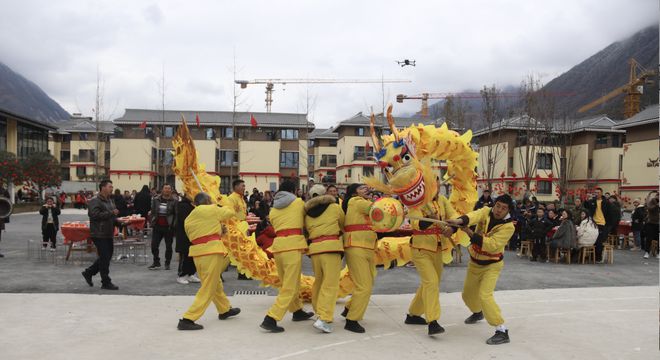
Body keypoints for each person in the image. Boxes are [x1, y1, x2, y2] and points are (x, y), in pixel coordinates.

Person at [446, 194, 516, 345]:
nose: (498, 210)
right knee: (467, 295)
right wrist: (459, 221)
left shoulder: (509, 227)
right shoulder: (486, 211)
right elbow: (473, 216)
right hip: (474, 263)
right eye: (497, 206)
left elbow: (491, 245)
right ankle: (478, 313)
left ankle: (501, 330)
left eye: (503, 208)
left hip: (492, 265)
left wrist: (469, 232)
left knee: (485, 296)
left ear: (508, 211)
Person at [177, 192, 240, 330]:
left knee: (214, 282)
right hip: (211, 251)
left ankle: (224, 309)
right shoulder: (211, 209)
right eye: (210, 199)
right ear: (206, 200)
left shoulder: (189, 218)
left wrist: (218, 230)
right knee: (208, 287)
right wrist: (221, 204)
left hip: (198, 253)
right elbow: (230, 212)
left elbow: (198, 235)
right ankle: (188, 318)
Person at [260, 180, 314, 333]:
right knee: (290, 286)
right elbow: (308, 217)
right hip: (292, 247)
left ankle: (297, 311)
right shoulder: (298, 202)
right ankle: (271, 318)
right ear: (293, 191)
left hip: (279, 247)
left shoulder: (273, 209)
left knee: (289, 282)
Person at [405, 182, 457, 336]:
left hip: (438, 248)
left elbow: (453, 215)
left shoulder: (442, 200)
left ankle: (413, 314)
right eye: (432, 186)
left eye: (437, 185)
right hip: (421, 249)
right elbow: (415, 223)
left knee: (430, 284)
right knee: (431, 282)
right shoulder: (417, 203)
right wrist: (428, 218)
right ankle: (432, 321)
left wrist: (451, 228)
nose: (435, 188)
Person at [304, 184, 344, 333]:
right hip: (331, 247)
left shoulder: (307, 213)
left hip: (315, 249)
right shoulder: (334, 207)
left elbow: (306, 231)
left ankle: (318, 312)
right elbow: (343, 224)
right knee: (331, 284)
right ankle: (325, 318)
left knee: (319, 282)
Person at [340, 183, 377, 333]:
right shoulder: (356, 202)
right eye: (362, 188)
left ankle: (349, 308)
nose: (366, 189)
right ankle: (352, 320)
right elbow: (377, 210)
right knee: (364, 286)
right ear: (354, 192)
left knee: (369, 281)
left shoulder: (365, 202)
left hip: (367, 246)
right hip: (356, 246)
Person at [81, 180, 121, 290]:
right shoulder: (95, 201)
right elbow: (94, 215)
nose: (111, 189)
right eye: (110, 187)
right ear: (103, 187)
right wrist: (111, 213)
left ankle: (89, 272)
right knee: (104, 257)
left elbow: (111, 217)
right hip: (98, 233)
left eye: (112, 187)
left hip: (108, 232)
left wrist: (119, 222)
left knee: (106, 257)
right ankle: (105, 281)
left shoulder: (110, 201)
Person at [148, 184, 177, 270]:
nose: (167, 190)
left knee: (168, 247)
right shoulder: (156, 199)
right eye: (165, 188)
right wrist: (152, 221)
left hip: (168, 227)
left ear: (171, 190)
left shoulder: (174, 201)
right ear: (162, 190)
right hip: (157, 226)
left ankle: (167, 263)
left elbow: (176, 214)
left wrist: (173, 225)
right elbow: (152, 212)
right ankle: (156, 262)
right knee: (154, 245)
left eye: (169, 188)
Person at [175, 194, 199, 284]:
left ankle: (191, 274)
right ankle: (181, 275)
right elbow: (185, 220)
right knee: (185, 255)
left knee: (193, 255)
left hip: (194, 234)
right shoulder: (182, 205)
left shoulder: (194, 205)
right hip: (184, 234)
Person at [585, 187, 610, 262]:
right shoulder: (592, 201)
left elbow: (610, 213)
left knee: (599, 241)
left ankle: (598, 257)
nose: (597, 194)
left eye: (598, 192)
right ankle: (592, 257)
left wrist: (609, 224)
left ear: (601, 193)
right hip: (593, 223)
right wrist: (587, 199)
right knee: (593, 240)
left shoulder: (606, 202)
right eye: (595, 192)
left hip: (602, 223)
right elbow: (586, 206)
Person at [642, 192, 659, 259]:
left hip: (658, 223)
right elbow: (649, 208)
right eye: (658, 195)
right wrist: (657, 205)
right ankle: (647, 252)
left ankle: (658, 252)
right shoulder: (652, 201)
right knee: (649, 238)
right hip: (651, 223)